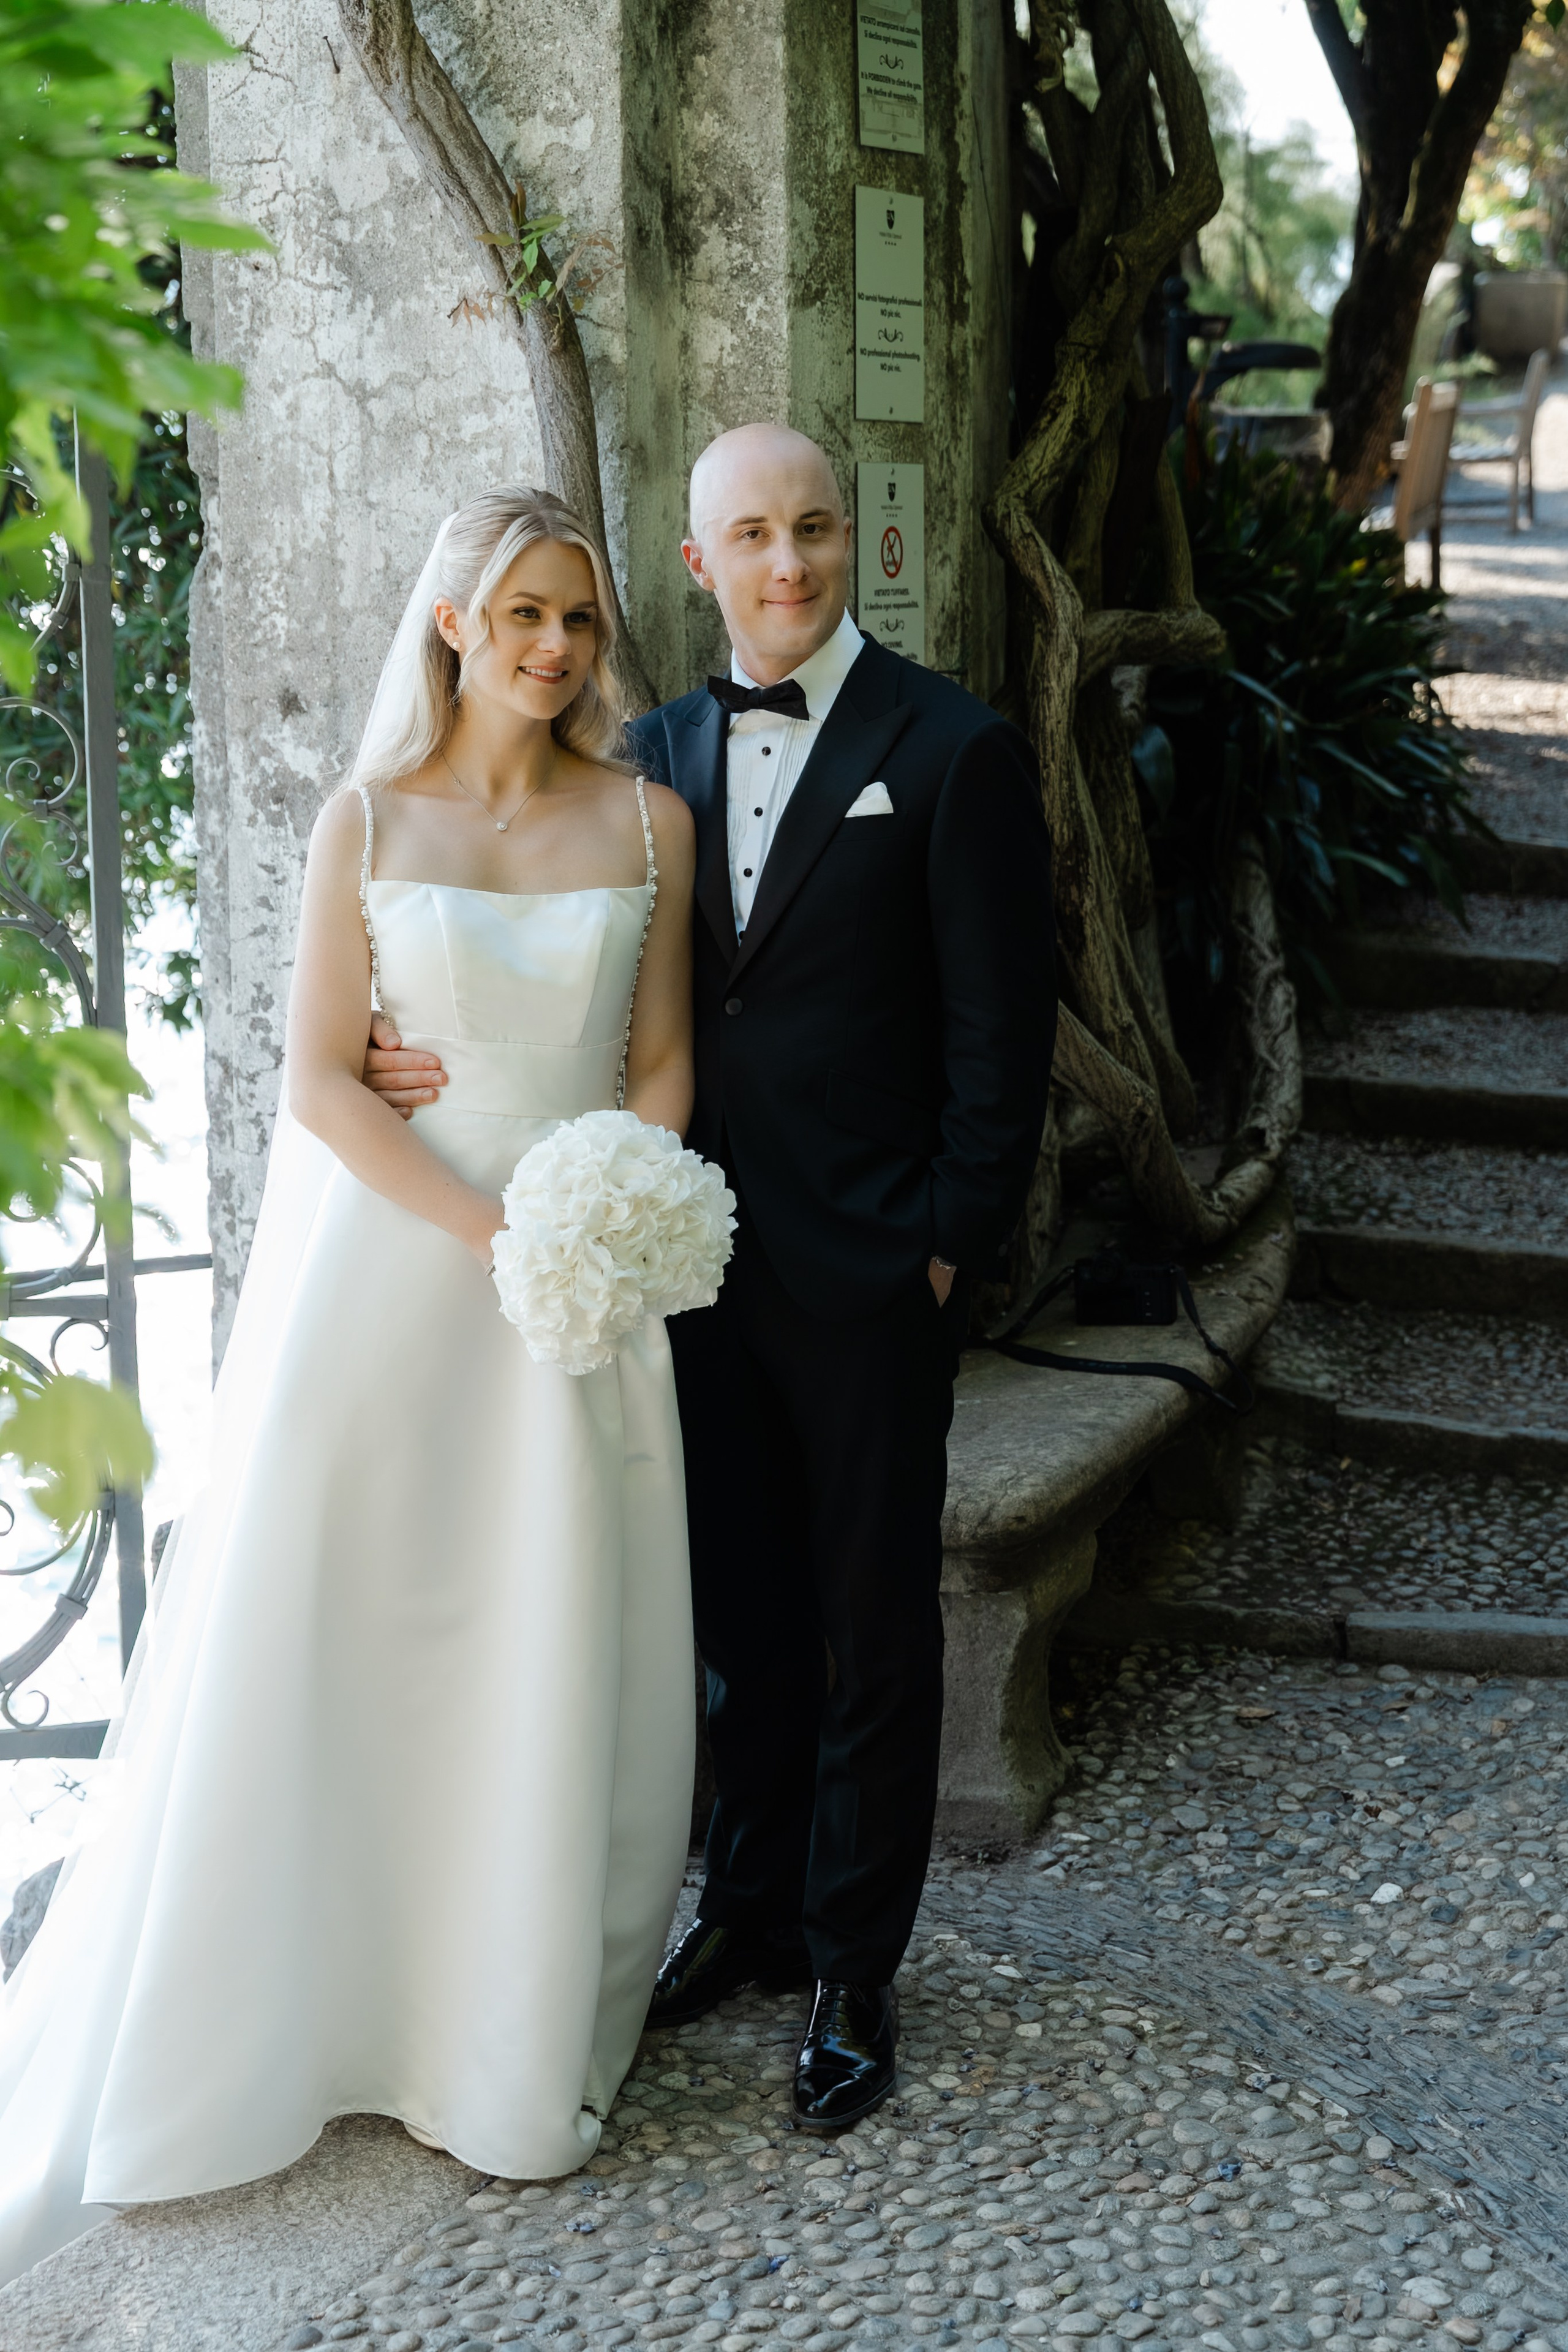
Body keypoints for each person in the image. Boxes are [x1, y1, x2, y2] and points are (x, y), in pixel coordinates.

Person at [0, 486, 699, 2285]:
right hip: (395, 1269)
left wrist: (605, 1207)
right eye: (525, 614)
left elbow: (664, 1059)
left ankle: (501, 2043)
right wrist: (489, 1230)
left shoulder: (651, 825)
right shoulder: (364, 819)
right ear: (458, 617)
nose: (555, 651)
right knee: (348, 1630)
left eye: (584, 625)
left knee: (540, 1645)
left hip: (576, 1286)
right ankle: (310, 2028)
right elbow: (320, 1082)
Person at [368, 426, 1058, 2132]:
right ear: (698, 565)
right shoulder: (650, 761)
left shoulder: (951, 749)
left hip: (875, 1266)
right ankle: (744, 1910)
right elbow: (563, 970)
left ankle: (850, 1964)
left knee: (873, 1623)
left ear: (854, 537)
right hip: (679, 1262)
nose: (790, 562)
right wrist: (398, 1041)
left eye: (814, 529)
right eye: (751, 534)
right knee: (733, 1618)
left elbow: (1004, 1028)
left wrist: (949, 1236)